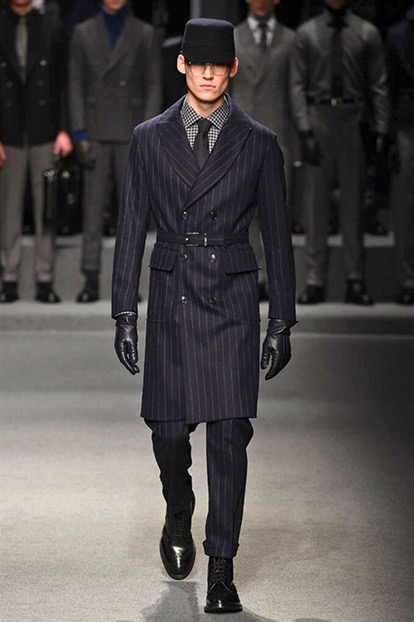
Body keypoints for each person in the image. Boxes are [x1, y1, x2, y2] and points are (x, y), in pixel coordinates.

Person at [111, 18, 296, 614]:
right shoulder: (149, 138)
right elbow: (131, 227)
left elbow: (277, 235)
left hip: (232, 298)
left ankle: (222, 567)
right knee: (168, 433)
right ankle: (179, 506)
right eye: (199, 63)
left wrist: (281, 319)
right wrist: (123, 313)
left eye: (220, 64)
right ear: (182, 65)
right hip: (173, 294)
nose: (209, 73)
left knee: (229, 435)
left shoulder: (259, 142)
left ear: (233, 69)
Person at [290, 0, 390, 304]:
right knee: (315, 205)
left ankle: (354, 277)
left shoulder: (366, 33)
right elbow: (297, 84)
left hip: (353, 117)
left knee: (353, 203)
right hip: (319, 115)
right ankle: (315, 278)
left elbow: (378, 84)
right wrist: (304, 129)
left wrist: (382, 129)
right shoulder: (307, 34)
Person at [69, 0, 162, 303]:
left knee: (131, 214)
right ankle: (90, 279)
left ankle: (128, 283)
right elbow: (76, 83)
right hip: (95, 130)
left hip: (131, 132)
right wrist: (79, 131)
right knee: (92, 210)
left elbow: (153, 85)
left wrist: (148, 132)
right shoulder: (83, 32)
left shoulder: (145, 33)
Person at [0, 0, 72, 303]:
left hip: (44, 128)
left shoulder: (51, 27)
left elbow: (63, 82)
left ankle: (45, 279)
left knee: (47, 209)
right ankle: (9, 278)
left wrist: (64, 129)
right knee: (9, 209)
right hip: (8, 131)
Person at [230, 0, 300, 302]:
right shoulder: (232, 37)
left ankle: (276, 279)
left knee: (276, 213)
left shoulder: (292, 40)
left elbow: (296, 92)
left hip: (278, 135)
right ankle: (252, 276)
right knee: (243, 213)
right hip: (240, 135)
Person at [386, 3, 414, 305]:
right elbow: (389, 88)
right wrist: (389, 135)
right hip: (407, 125)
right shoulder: (398, 35)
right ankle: (407, 279)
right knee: (405, 206)